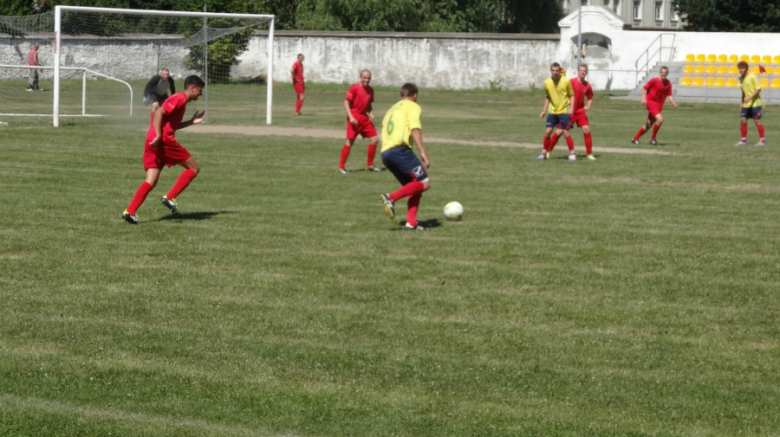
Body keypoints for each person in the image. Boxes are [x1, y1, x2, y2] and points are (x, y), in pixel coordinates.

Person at [122, 75, 207, 225]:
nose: (200, 94)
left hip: (151, 140)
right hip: (162, 141)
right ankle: (170, 197)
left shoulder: (181, 101)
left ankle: (130, 211)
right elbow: (159, 113)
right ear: (192, 88)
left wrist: (192, 122)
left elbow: (171, 124)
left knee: (151, 181)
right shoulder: (179, 99)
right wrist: (160, 136)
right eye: (199, 90)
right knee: (193, 168)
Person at [379, 83, 430, 231]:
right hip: (400, 150)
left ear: (400, 96)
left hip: (386, 153)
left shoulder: (391, 109)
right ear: (415, 96)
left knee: (414, 186)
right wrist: (422, 152)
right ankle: (391, 198)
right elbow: (415, 128)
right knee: (424, 182)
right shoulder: (412, 106)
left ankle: (411, 223)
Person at [338, 69, 382, 174]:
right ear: (360, 77)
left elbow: (368, 103)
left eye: (368, 78)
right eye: (364, 78)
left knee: (375, 139)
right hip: (354, 117)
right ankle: (341, 167)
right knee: (350, 142)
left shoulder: (371, 90)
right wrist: (351, 117)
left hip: (364, 118)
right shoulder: (354, 88)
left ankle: (370, 165)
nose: (366, 80)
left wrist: (370, 112)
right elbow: (346, 103)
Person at [536, 62, 576, 161]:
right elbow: (548, 97)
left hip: (564, 111)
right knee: (548, 131)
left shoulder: (566, 81)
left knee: (566, 132)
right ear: (550, 71)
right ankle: (544, 154)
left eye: (557, 71)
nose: (555, 72)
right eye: (553, 71)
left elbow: (572, 95)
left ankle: (573, 154)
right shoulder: (547, 82)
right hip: (552, 112)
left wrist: (571, 108)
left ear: (560, 71)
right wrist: (544, 110)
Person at [631, 66, 677, 146]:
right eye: (662, 72)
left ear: (667, 73)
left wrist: (673, 102)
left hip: (658, 106)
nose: (663, 74)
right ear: (660, 72)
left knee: (649, 124)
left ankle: (635, 138)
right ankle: (653, 139)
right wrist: (643, 98)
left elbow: (669, 95)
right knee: (660, 119)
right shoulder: (654, 80)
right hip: (651, 103)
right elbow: (643, 89)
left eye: (665, 72)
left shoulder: (668, 83)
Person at [734, 61, 765, 147]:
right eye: (740, 68)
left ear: (746, 69)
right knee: (743, 120)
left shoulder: (752, 77)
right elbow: (743, 92)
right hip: (746, 104)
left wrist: (750, 97)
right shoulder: (740, 79)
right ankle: (743, 140)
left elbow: (758, 89)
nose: (741, 70)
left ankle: (762, 140)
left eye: (742, 68)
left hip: (755, 103)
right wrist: (742, 102)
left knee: (756, 121)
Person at [570, 63, 596, 160]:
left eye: (584, 71)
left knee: (586, 130)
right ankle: (547, 152)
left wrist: (588, 106)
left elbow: (590, 98)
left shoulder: (587, 85)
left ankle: (589, 154)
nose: (582, 72)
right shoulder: (571, 82)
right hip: (570, 111)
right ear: (578, 71)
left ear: (586, 72)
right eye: (581, 70)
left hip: (580, 111)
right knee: (560, 131)